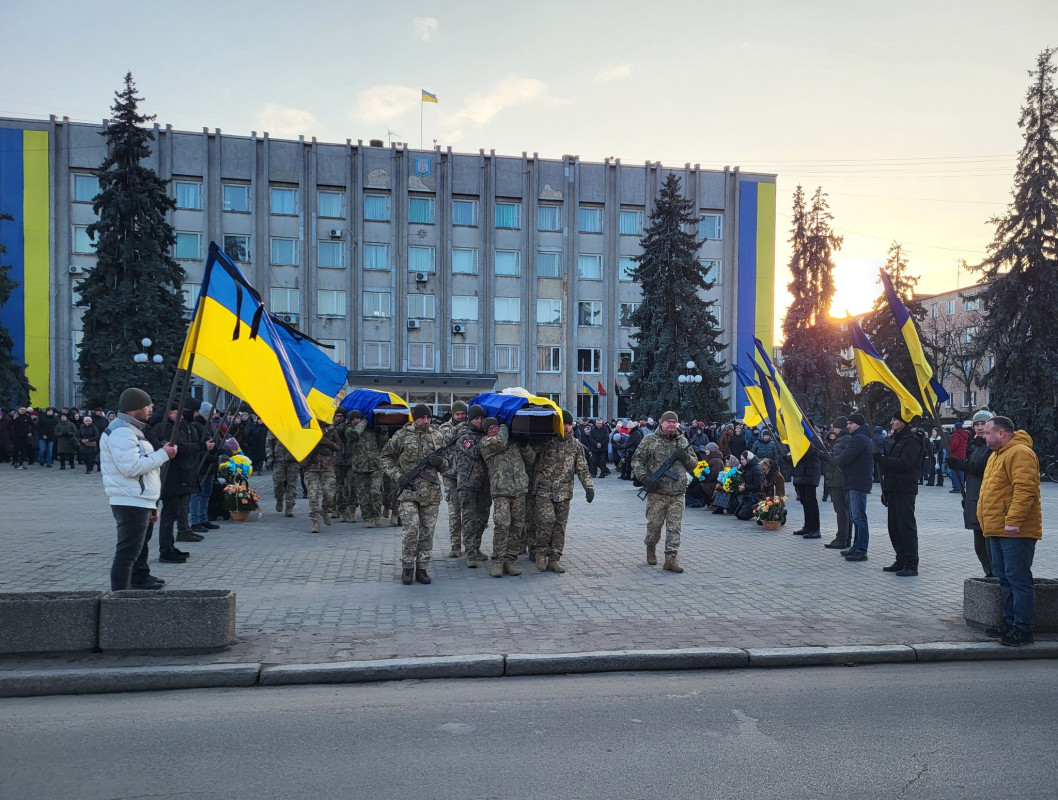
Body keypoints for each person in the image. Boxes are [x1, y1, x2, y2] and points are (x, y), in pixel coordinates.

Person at [100, 387, 177, 591]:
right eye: (147, 405)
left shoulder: (132, 429)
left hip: (137, 499)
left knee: (133, 551)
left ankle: (129, 589)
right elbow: (131, 467)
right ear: (136, 408)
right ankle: (120, 600)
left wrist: (151, 504)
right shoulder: (122, 432)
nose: (151, 409)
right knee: (127, 554)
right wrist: (163, 454)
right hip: (129, 500)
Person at [979, 416, 1042, 646]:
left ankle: (1023, 628)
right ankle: (1009, 621)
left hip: (1015, 530)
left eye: (987, 433)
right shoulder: (998, 455)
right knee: (1005, 578)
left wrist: (1013, 520)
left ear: (1002, 434)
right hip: (998, 528)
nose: (982, 436)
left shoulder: (1020, 453)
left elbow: (1025, 489)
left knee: (1018, 579)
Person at [381, 404, 447, 585]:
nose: (425, 421)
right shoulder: (402, 436)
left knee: (427, 532)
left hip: (431, 493)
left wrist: (440, 462)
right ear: (414, 418)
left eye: (428, 417)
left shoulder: (438, 436)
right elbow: (385, 457)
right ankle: (408, 567)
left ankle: (422, 568)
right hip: (408, 492)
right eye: (422, 417)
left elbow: (449, 464)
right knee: (411, 529)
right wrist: (397, 476)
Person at [631, 410, 697, 573]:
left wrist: (685, 458)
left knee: (674, 527)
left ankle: (671, 558)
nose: (672, 425)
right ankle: (651, 546)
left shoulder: (682, 441)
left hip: (677, 493)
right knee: (654, 526)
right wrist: (644, 477)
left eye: (674, 422)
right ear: (661, 423)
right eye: (669, 422)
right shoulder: (650, 440)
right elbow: (637, 460)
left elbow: (694, 463)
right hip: (657, 493)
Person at [532, 409, 593, 573]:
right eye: (563, 424)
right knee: (546, 522)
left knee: (560, 526)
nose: (566, 427)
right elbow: (530, 457)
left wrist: (589, 486)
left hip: (564, 493)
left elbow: (582, 468)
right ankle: (540, 553)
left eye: (568, 424)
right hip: (544, 490)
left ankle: (554, 558)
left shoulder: (575, 445)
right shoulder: (546, 441)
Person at [154, 401, 213, 562]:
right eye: (177, 412)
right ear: (169, 413)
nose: (180, 416)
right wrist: (200, 446)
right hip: (171, 476)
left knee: (176, 512)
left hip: (182, 475)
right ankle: (165, 550)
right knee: (169, 514)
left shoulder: (178, 426)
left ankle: (170, 546)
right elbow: (179, 447)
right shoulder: (163, 427)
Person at [480, 418, 536, 577]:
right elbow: (501, 442)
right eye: (490, 428)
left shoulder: (513, 442)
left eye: (495, 427)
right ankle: (497, 562)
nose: (493, 430)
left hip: (519, 491)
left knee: (517, 526)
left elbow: (530, 459)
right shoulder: (486, 444)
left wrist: (524, 446)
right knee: (502, 525)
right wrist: (504, 425)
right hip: (501, 491)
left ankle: (509, 561)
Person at [874, 415, 925, 576]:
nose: (891, 422)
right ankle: (901, 559)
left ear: (903, 422)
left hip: (905, 488)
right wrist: (886, 490)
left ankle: (911, 563)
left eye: (894, 420)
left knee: (906, 527)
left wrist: (882, 460)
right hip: (894, 488)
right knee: (894, 527)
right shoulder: (898, 438)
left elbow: (905, 463)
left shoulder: (912, 440)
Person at [946, 409, 995, 577]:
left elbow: (980, 468)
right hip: (974, 499)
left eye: (983, 424)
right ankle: (989, 575)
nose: (980, 428)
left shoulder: (992, 448)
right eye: (977, 424)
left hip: (986, 502)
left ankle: (994, 578)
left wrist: (959, 464)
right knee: (979, 546)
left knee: (988, 547)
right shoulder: (976, 446)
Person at [834, 412, 874, 562]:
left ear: (858, 424)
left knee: (858, 518)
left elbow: (844, 458)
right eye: (848, 423)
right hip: (856, 481)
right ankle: (856, 546)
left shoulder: (858, 439)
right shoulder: (862, 438)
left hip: (856, 482)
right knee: (856, 516)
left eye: (851, 423)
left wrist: (831, 459)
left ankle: (861, 550)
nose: (848, 426)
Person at [455, 404, 492, 566]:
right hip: (468, 483)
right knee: (469, 519)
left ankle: (476, 547)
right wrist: (489, 439)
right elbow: (475, 452)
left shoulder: (483, 433)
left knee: (482, 518)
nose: (479, 421)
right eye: (476, 418)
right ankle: (470, 554)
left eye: (482, 418)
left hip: (485, 483)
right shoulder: (464, 434)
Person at [346, 409, 387, 527]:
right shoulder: (350, 431)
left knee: (375, 491)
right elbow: (356, 432)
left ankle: (377, 514)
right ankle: (367, 517)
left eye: (357, 418)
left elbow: (383, 445)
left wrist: (383, 433)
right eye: (353, 419)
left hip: (375, 466)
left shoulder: (371, 431)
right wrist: (364, 421)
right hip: (359, 467)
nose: (356, 421)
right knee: (363, 494)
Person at [439, 401, 468, 557]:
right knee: (455, 513)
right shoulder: (446, 427)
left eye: (463, 414)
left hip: (467, 475)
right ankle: (455, 546)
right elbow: (444, 439)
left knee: (469, 513)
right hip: (451, 475)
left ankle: (471, 547)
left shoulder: (469, 427)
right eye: (458, 414)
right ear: (453, 414)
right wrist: (459, 427)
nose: (461, 417)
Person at [302, 421, 341, 533]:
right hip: (311, 468)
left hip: (327, 468)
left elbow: (339, 447)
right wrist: (301, 460)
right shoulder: (307, 430)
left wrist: (328, 442)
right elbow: (299, 447)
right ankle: (315, 521)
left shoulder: (332, 431)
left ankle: (324, 510)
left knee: (329, 494)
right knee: (313, 496)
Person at [823, 417, 852, 549]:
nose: (833, 430)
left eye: (835, 427)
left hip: (838, 480)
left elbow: (835, 460)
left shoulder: (842, 440)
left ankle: (841, 539)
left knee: (841, 510)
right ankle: (846, 538)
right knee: (844, 510)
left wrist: (823, 455)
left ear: (840, 428)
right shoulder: (845, 439)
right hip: (841, 479)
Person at [791, 443, 823, 539]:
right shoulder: (800, 438)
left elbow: (804, 453)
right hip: (801, 474)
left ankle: (815, 529)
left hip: (810, 474)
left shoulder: (812, 438)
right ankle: (807, 526)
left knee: (811, 502)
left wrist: (791, 455)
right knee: (804, 501)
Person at [266, 428, 299, 517]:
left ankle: (289, 506)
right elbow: (269, 442)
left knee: (292, 485)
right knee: (278, 483)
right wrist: (269, 456)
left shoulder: (296, 425)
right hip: (279, 460)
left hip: (293, 460)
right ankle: (279, 498)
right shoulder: (276, 426)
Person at [948, 422, 969, 493]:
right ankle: (961, 486)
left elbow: (954, 445)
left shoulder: (957, 435)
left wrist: (949, 449)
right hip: (962, 456)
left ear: (955, 427)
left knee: (953, 472)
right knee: (961, 472)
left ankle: (956, 487)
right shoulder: (965, 435)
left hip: (955, 455)